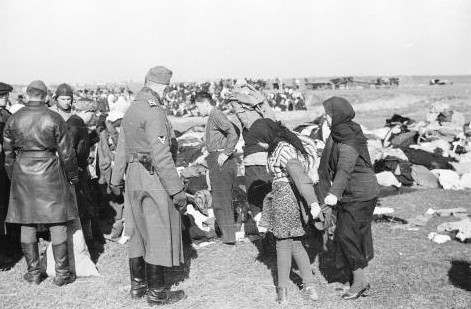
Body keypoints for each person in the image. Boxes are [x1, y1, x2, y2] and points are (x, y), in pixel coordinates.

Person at [110, 66, 187, 306]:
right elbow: (162, 155)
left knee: (138, 232)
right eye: (167, 87)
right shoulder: (154, 111)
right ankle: (157, 293)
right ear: (162, 86)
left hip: (133, 175)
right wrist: (177, 190)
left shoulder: (132, 108)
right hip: (152, 176)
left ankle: (138, 285)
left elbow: (121, 147)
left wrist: (115, 179)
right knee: (157, 231)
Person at [3, 80, 79, 286]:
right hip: (50, 172)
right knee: (57, 220)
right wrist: (73, 176)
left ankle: (34, 272)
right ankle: (62, 274)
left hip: (23, 172)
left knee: (26, 221)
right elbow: (67, 153)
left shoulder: (14, 119)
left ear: (27, 96)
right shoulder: (53, 117)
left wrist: (14, 177)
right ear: (46, 97)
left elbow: (8, 156)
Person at [318, 97, 379, 300]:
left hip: (361, 193)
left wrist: (334, 193)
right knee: (349, 235)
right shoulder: (338, 132)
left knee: (346, 235)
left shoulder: (349, 137)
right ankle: (358, 280)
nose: (325, 118)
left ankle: (360, 282)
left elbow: (344, 168)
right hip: (351, 192)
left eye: (328, 114)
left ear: (337, 115)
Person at [256, 119, 321, 304]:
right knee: (296, 244)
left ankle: (282, 291)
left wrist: (313, 203)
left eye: (259, 140)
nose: (258, 144)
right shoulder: (278, 147)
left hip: (285, 199)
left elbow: (299, 177)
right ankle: (310, 286)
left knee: (282, 245)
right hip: (284, 197)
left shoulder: (282, 149)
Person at [229, 83, 276, 231]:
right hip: (270, 160)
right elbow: (262, 100)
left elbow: (233, 99)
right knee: (271, 196)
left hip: (254, 161)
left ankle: (265, 235)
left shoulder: (249, 120)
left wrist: (238, 89)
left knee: (255, 200)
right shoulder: (268, 114)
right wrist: (250, 89)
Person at [194, 91, 239, 245]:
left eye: (198, 106)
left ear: (205, 103)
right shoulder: (213, 116)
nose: (197, 110)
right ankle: (226, 234)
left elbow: (233, 133)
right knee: (220, 199)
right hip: (215, 158)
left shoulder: (216, 114)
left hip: (221, 160)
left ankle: (229, 237)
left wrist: (226, 153)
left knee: (222, 199)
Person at [66, 98, 98, 242]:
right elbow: (68, 150)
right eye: (93, 113)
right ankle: (83, 240)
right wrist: (75, 170)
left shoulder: (79, 124)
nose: (94, 117)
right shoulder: (74, 124)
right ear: (86, 111)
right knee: (80, 205)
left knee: (84, 204)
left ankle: (86, 238)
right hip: (75, 171)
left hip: (80, 169)